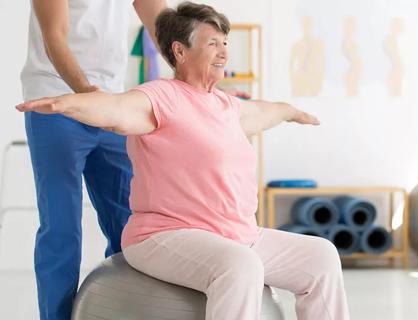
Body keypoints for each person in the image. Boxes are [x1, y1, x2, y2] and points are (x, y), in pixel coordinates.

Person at [17, 2, 350, 319]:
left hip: (235, 233)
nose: (224, 52)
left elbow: (262, 111)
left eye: (225, 42)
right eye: (212, 44)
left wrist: (290, 111)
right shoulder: (160, 98)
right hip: (168, 229)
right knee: (240, 264)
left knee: (321, 256)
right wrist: (70, 103)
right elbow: (116, 111)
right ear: (179, 50)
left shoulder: (225, 105)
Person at [20, 0, 166, 319]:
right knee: (61, 228)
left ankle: (125, 312)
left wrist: (191, 74)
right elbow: (54, 37)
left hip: (110, 104)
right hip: (56, 103)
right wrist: (86, 93)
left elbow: (162, 24)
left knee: (130, 226)